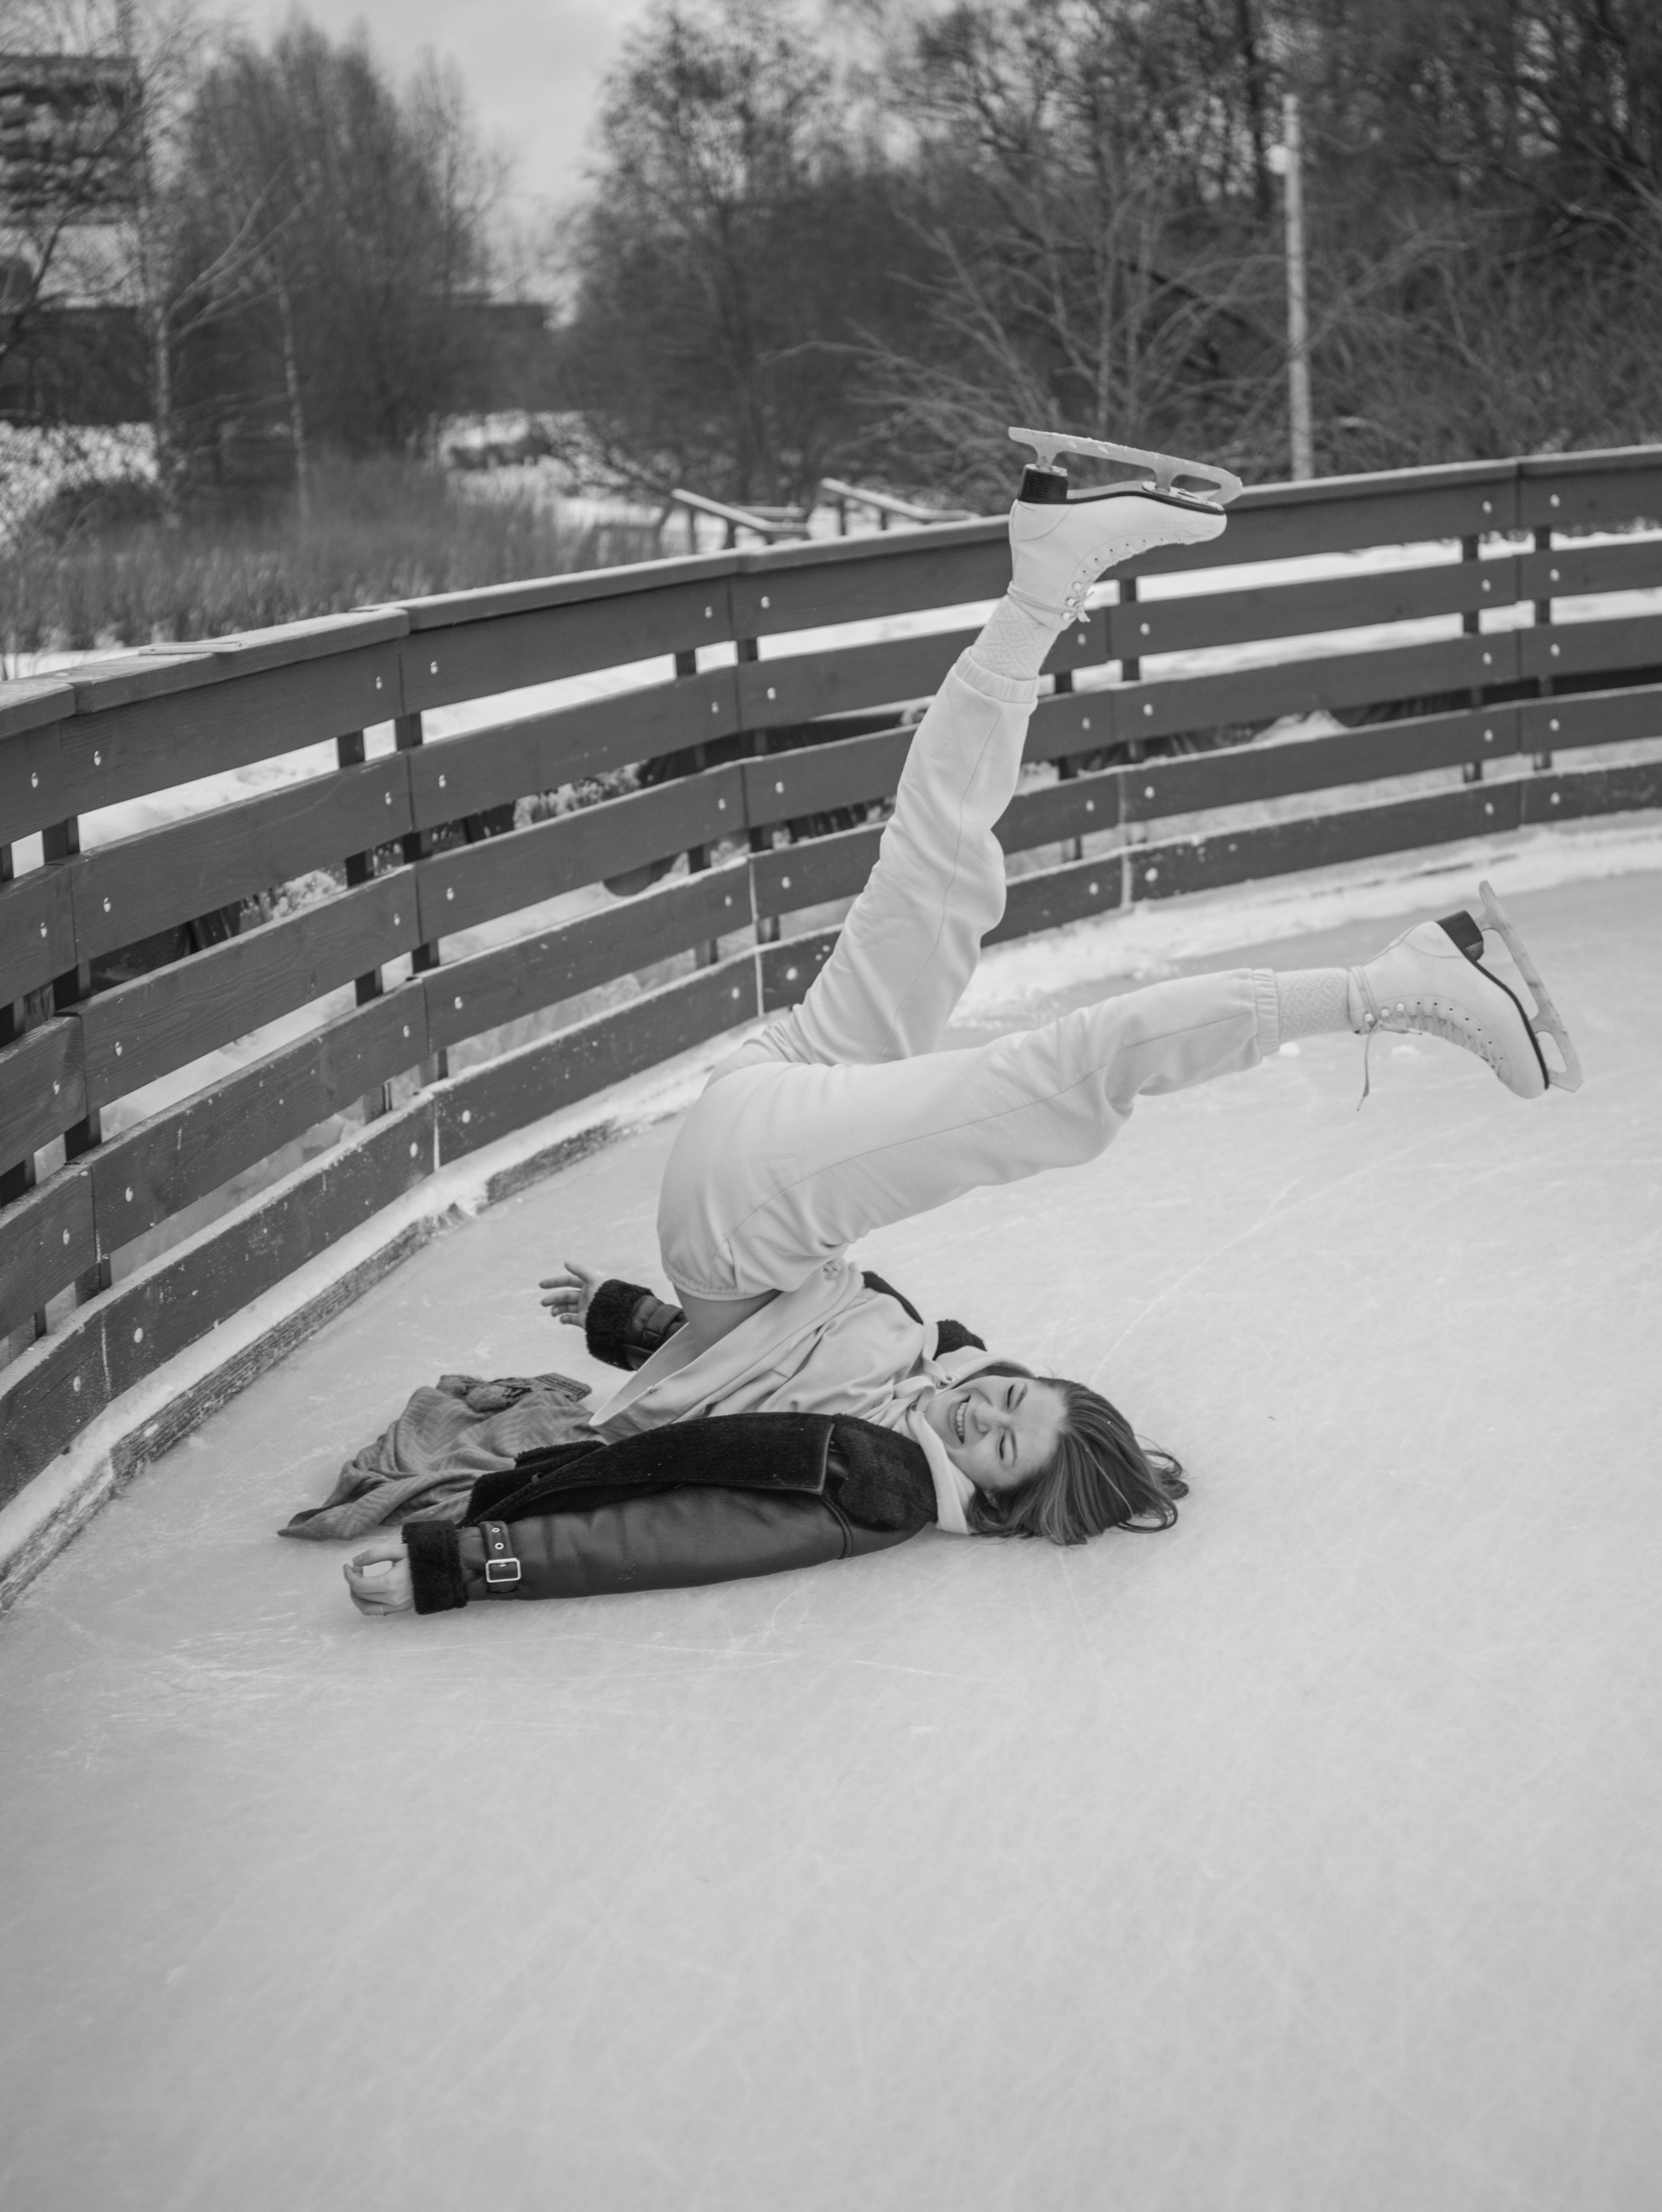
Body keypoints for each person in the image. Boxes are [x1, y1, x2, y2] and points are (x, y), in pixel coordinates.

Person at [342, 454, 1578, 1617]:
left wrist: (473, 1565)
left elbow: (689, 1525)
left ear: (987, 1506)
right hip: (768, 1151)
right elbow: (769, 1358)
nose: (983, 1410)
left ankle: (1391, 988)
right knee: (938, 881)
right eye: (1015, 1400)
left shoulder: (875, 1489)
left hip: (744, 1212)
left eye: (994, 1443)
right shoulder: (919, 1371)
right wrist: (623, 1318)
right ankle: (1042, 582)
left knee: (1059, 1082)